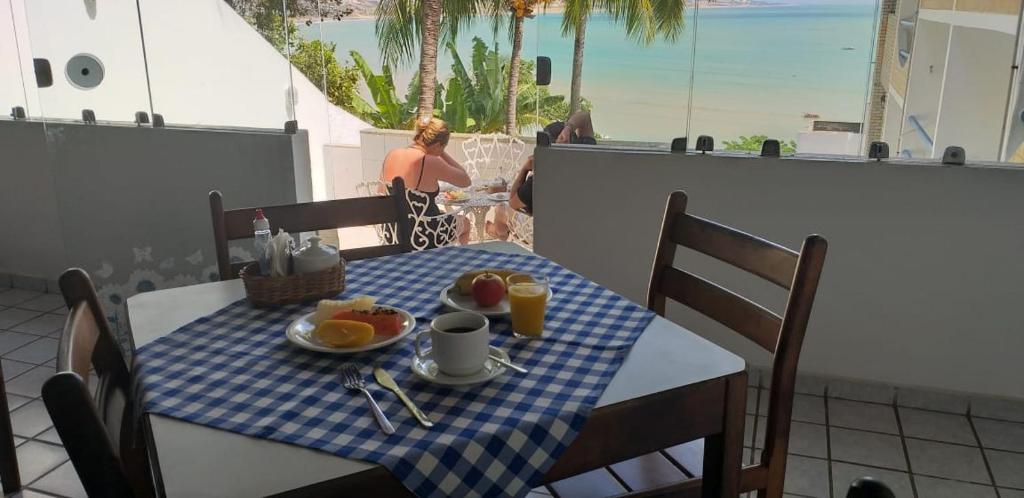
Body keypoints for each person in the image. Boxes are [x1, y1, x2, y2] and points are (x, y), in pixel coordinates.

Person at [381, 117, 472, 246]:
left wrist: (437, 149)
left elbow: (381, 193)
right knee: (465, 223)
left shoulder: (392, 155)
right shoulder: (429, 161)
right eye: (443, 147)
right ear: (437, 145)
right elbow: (465, 180)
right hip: (423, 235)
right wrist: (441, 153)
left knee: (441, 214)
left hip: (393, 232)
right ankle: (460, 257)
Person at [509, 111, 596, 214]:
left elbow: (512, 203)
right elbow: (585, 117)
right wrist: (568, 129)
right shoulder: (587, 163)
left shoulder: (537, 183)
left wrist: (525, 169)